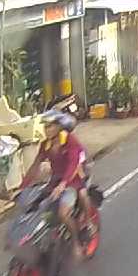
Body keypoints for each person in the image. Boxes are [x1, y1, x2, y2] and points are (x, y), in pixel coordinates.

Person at [20, 110, 93, 262]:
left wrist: (63, 185)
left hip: (74, 179)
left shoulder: (70, 140)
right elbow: (35, 165)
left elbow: (73, 164)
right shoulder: (45, 145)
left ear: (59, 127)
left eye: (50, 126)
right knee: (37, 207)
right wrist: (23, 186)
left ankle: (78, 239)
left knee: (64, 212)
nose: (46, 130)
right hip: (55, 180)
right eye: (45, 126)